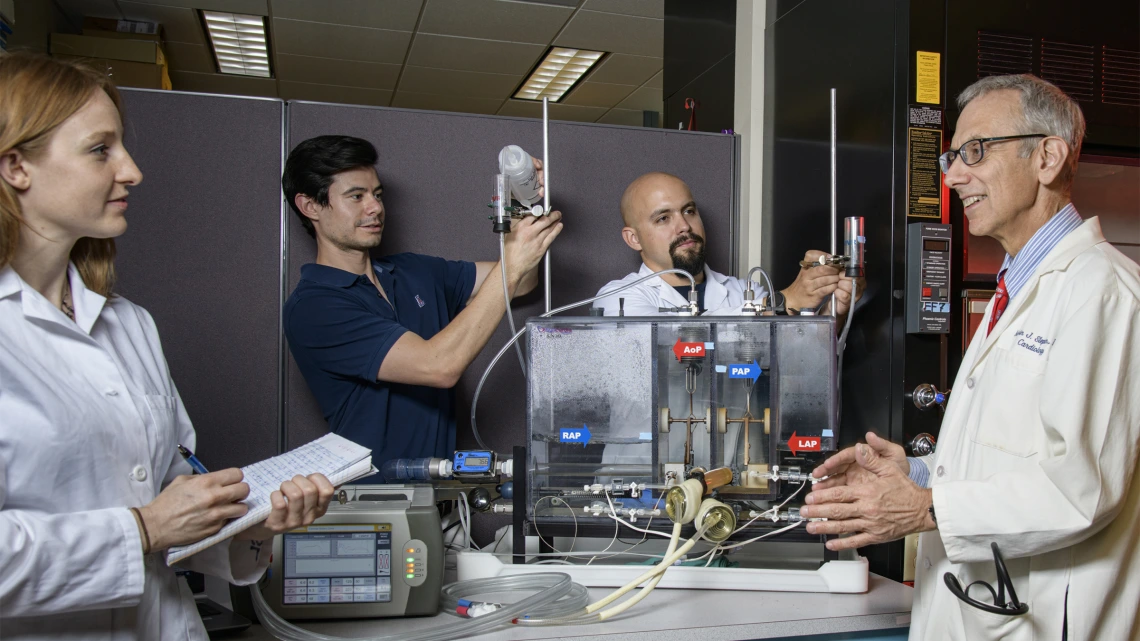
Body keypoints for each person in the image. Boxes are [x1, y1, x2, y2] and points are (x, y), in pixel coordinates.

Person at [0, 53, 335, 639]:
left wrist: (253, 524)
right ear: (16, 165)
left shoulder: (128, 325)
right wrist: (143, 530)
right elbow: (151, 523)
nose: (131, 170)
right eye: (100, 149)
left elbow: (173, 498)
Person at [800, 74, 1140, 641]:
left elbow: (1081, 490)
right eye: (953, 156)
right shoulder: (1016, 291)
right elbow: (1009, 461)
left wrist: (922, 509)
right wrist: (912, 474)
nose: (953, 174)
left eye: (974, 152)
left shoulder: (1104, 294)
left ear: (1048, 158)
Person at [282, 136, 562, 472]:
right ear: (310, 205)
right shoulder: (315, 306)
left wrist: (518, 207)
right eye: (356, 196)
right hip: (376, 506)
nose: (375, 208)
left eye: (377, 195)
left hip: (441, 498)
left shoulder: (413, 271)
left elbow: (521, 281)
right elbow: (438, 366)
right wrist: (513, 264)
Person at [592, 172, 857, 317]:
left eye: (689, 211)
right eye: (663, 218)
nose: (684, 226)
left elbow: (794, 362)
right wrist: (785, 300)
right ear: (633, 238)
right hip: (651, 421)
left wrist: (832, 312)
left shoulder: (745, 291)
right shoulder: (618, 298)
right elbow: (678, 345)